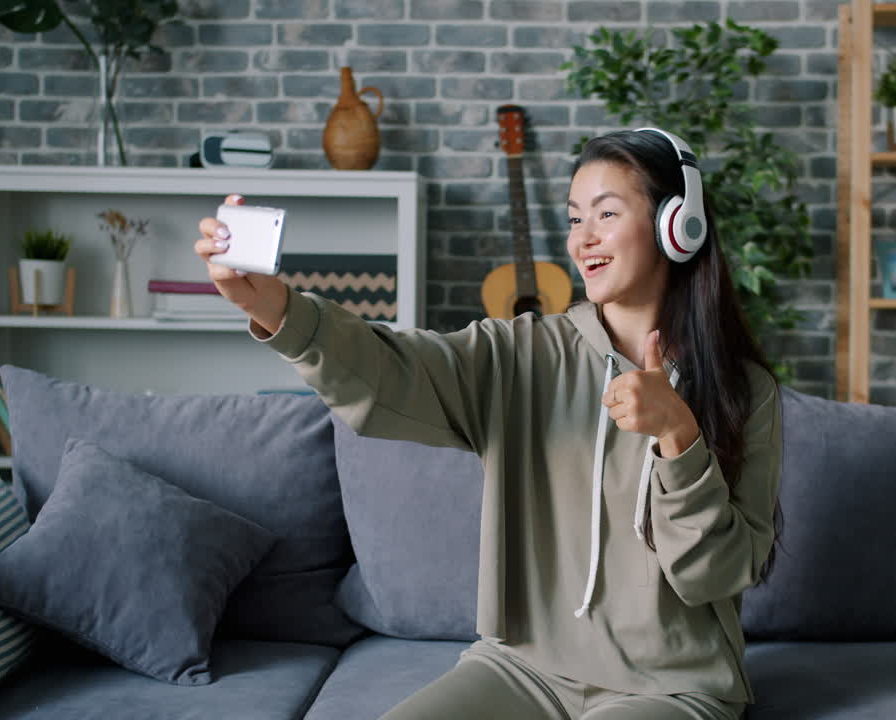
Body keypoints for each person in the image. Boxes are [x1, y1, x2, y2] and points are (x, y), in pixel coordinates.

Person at [195, 128, 783, 720]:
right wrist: (275, 309)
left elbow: (717, 575)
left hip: (670, 686)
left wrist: (678, 438)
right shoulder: (520, 354)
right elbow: (394, 369)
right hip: (524, 668)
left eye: (607, 213)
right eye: (576, 218)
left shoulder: (745, 391)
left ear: (677, 227)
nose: (584, 239)